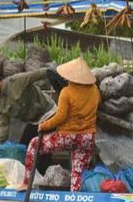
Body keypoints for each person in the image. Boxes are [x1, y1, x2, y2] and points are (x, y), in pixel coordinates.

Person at [24, 57, 101, 192]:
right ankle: (75, 196)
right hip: (87, 138)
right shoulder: (94, 90)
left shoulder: (67, 92)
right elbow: (97, 104)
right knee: (78, 171)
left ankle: (26, 182)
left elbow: (60, 117)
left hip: (68, 136)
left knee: (34, 144)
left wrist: (44, 125)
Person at [0, 68, 58, 159]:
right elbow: (3, 126)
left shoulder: (16, 81)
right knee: (23, 150)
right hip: (34, 122)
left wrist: (59, 81)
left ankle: (43, 171)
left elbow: (39, 73)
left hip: (49, 114)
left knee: (42, 148)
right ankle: (30, 171)